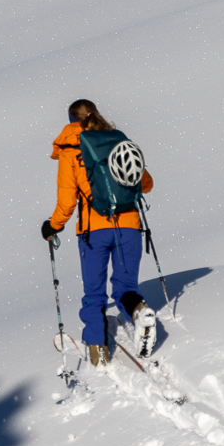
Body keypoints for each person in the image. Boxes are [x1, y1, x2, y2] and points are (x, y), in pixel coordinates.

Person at [41, 99, 156, 365]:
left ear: (71, 120)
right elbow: (146, 184)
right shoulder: (118, 142)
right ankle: (139, 311)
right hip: (129, 225)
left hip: (94, 231)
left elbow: (67, 202)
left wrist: (53, 226)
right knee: (125, 287)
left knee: (94, 293)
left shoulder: (71, 151)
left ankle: (97, 350)